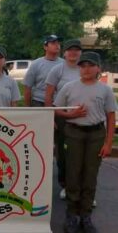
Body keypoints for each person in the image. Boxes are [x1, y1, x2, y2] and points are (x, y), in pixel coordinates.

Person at [54, 52, 117, 233]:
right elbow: (57, 110)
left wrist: (108, 143)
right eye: (83, 66)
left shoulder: (104, 90)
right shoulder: (69, 87)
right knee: (73, 176)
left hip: (95, 135)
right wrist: (70, 115)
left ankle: (86, 216)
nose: (86, 69)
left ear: (98, 68)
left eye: (90, 65)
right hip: (74, 133)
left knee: (90, 177)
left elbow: (111, 116)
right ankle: (71, 216)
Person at [44, 39, 82, 201]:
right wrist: (50, 116)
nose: (73, 53)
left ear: (81, 52)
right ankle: (65, 185)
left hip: (83, 117)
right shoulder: (57, 70)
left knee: (81, 154)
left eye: (76, 50)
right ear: (64, 53)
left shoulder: (86, 69)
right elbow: (48, 95)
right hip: (62, 118)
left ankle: (83, 189)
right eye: (70, 50)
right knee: (63, 153)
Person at [23, 34, 64, 107]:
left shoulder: (64, 64)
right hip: (39, 102)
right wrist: (27, 108)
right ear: (45, 47)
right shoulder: (36, 64)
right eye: (53, 43)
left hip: (59, 102)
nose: (57, 45)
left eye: (58, 43)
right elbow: (27, 87)